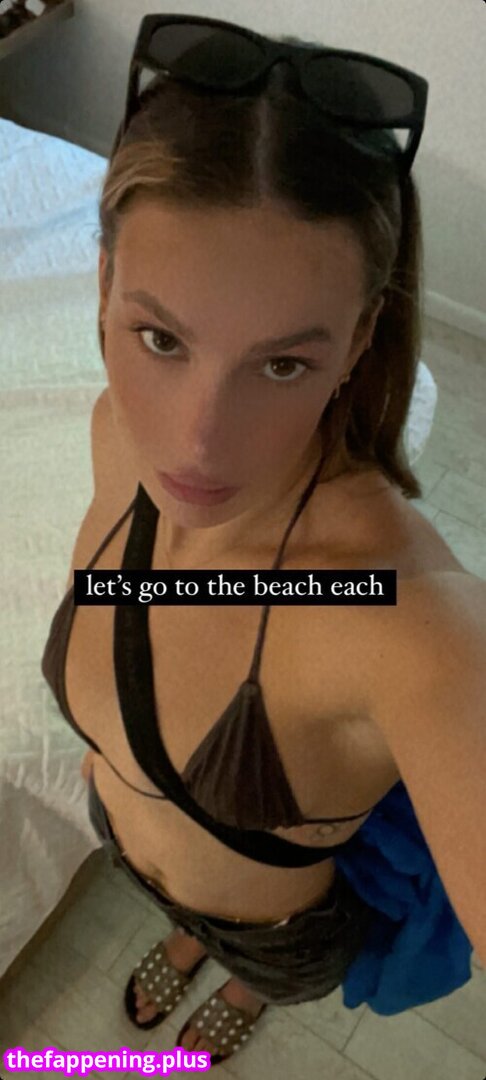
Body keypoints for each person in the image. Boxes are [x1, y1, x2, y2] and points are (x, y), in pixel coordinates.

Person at [41, 15, 485, 1067]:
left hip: (279, 930)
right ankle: (190, 936)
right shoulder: (115, 437)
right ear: (103, 284)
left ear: (360, 341)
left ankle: (242, 982)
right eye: (161, 338)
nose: (197, 442)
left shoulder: (411, 620)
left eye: (283, 364)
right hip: (134, 853)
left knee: (261, 955)